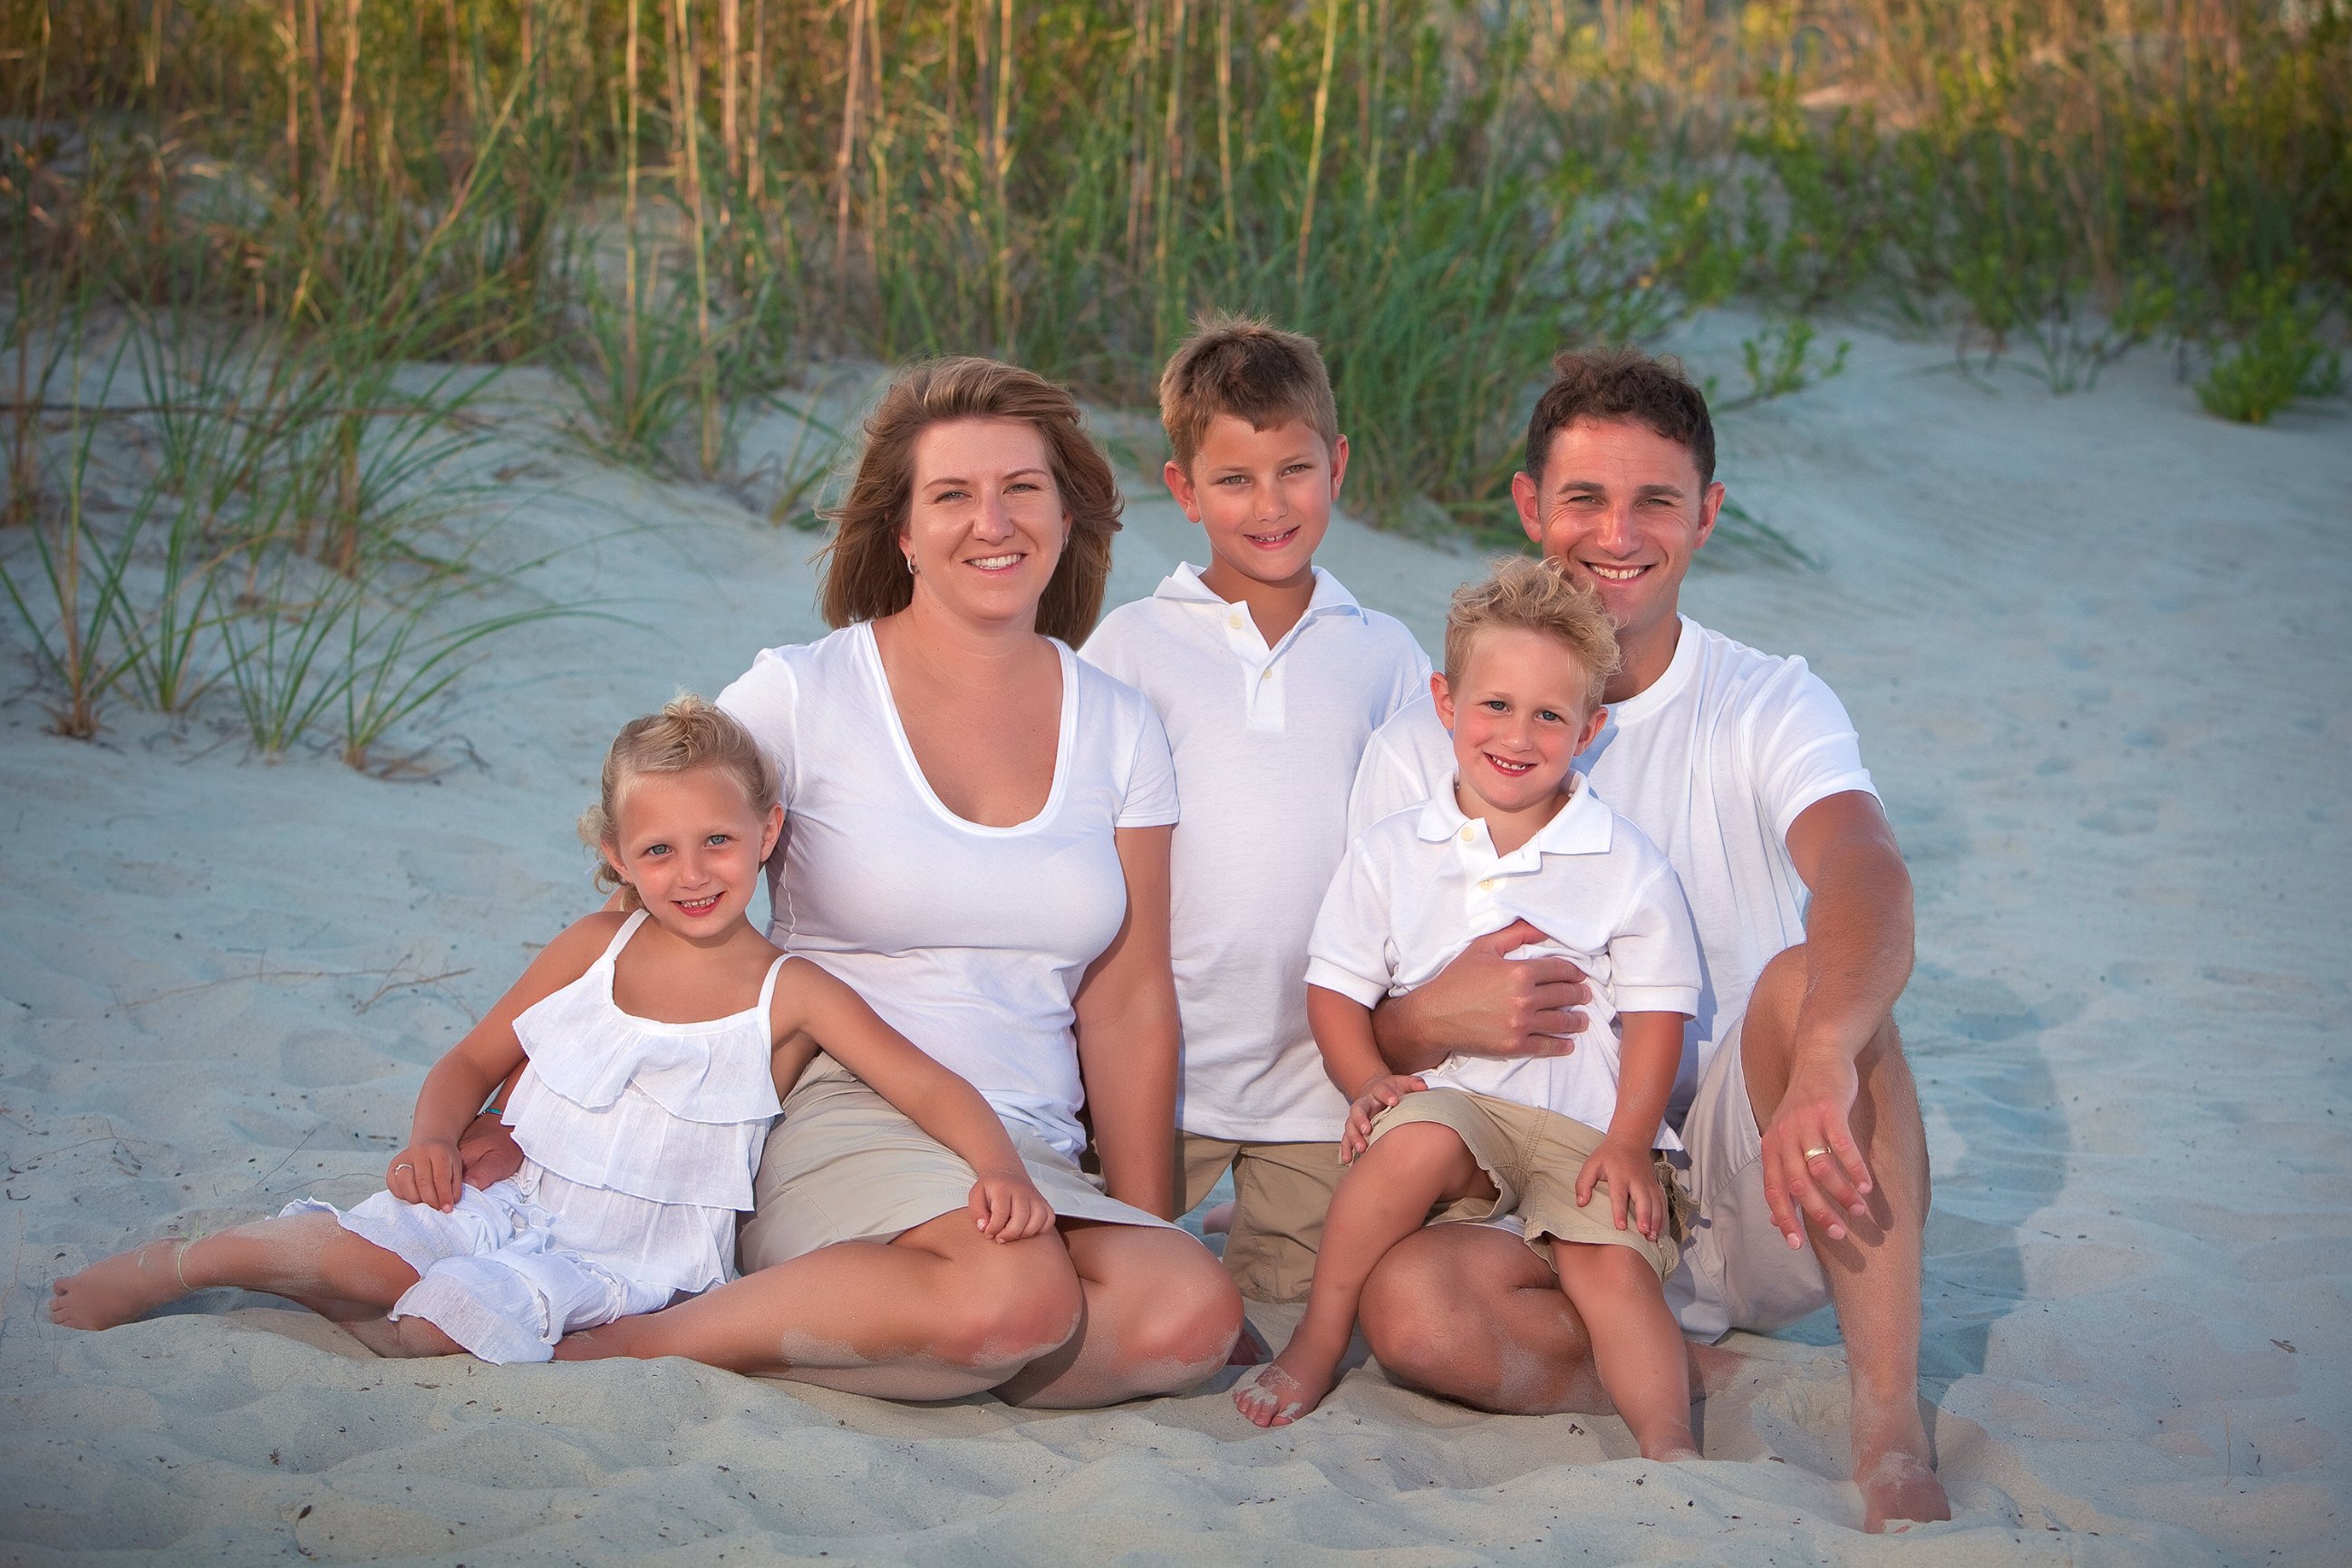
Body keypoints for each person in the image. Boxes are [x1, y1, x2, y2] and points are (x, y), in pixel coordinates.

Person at [485, 357, 1244, 1405]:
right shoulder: (800, 693)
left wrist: (1151, 1222)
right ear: (901, 531)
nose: (994, 521)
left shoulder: (1120, 723)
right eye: (952, 495)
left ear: (1069, 516)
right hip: (840, 1108)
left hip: (1025, 1139)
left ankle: (904, 1329)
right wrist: (529, 1109)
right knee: (1017, 1301)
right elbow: (660, 903)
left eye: (1022, 488)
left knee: (1185, 1311)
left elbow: (1128, 999)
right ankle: (632, 1343)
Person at [1346, 347, 1951, 1530]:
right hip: (1537, 1195)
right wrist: (1426, 1015)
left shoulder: (1761, 701)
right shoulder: (1430, 734)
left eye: (1652, 501)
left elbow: (1864, 871)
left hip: (1734, 1178)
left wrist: (1823, 1050)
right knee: (1413, 1313)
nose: (1612, 534)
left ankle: (1885, 1424)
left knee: (1810, 983)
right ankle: (1692, 1376)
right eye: (1581, 498)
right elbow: (1353, 1013)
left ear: (1705, 514)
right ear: (1527, 505)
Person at [48, 698, 1052, 1361]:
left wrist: (995, 1166)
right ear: (617, 854)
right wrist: (432, 1138)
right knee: (364, 1250)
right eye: (658, 849)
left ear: (768, 834)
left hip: (622, 1255)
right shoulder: (593, 947)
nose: (693, 873)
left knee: (447, 1326)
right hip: (510, 1189)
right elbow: (475, 1058)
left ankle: (356, 1308)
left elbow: (924, 1084)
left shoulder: (789, 990)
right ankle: (190, 1263)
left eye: (718, 841)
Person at [1234, 559, 1703, 1457]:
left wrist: (1628, 1139)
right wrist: (1368, 1078)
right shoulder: (1392, 850)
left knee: (1612, 1273)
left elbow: (1657, 1014)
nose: (1517, 735)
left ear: (1589, 727)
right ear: (1445, 702)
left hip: (1587, 1127)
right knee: (1412, 1135)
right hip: (1469, 1113)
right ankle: (1315, 1342)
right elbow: (1334, 986)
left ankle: (1668, 1443)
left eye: (1549, 715)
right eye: (1494, 705)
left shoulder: (1623, 860)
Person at [1081, 315, 1428, 1305]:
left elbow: (1418, 841)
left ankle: (1255, 1218)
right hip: (1159, 1066)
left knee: (1307, 1295)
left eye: (1295, 470)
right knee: (1118, 1282)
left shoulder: (1385, 652)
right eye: (1234, 480)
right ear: (1184, 490)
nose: (1270, 505)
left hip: (1318, 1079)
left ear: (1339, 465)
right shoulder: (1132, 644)